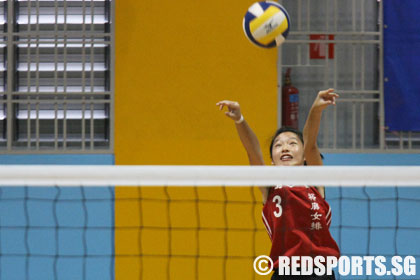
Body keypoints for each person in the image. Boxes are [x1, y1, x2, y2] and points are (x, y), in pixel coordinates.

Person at [216, 89, 340, 279]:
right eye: (278, 145)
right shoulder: (270, 188)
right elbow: (253, 152)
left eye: (292, 143)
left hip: (320, 273)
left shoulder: (315, 183)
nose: (285, 147)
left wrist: (316, 109)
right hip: (284, 274)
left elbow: (311, 144)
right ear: (272, 161)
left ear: (304, 156)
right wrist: (240, 120)